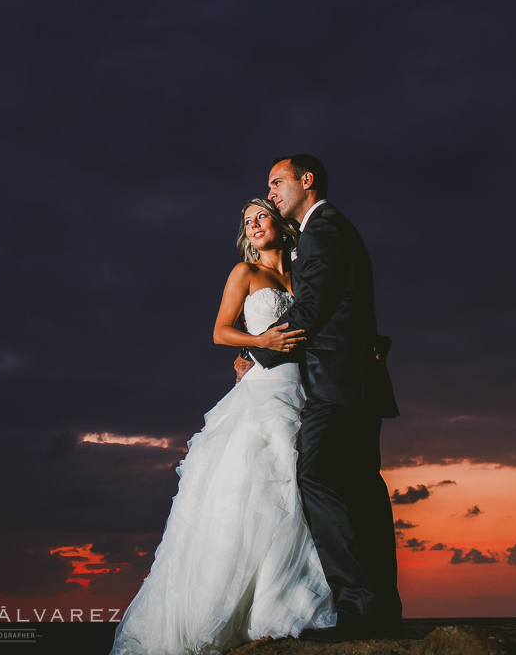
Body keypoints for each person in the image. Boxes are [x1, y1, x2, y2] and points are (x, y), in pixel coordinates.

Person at [110, 198, 336, 655]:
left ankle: (284, 605)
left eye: (262, 217)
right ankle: (233, 614)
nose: (253, 226)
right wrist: (258, 342)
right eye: (247, 221)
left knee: (300, 492)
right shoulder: (244, 273)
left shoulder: (302, 274)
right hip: (262, 392)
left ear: (281, 224)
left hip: (306, 391)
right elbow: (219, 331)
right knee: (255, 494)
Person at [247, 154, 402, 641]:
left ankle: (358, 609)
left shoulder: (322, 230)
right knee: (362, 493)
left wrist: (259, 355)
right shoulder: (333, 229)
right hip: (357, 383)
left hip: (336, 385)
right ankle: (380, 613)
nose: (270, 192)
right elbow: (349, 307)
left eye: (277, 182)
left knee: (315, 476)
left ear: (306, 180)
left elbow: (313, 307)